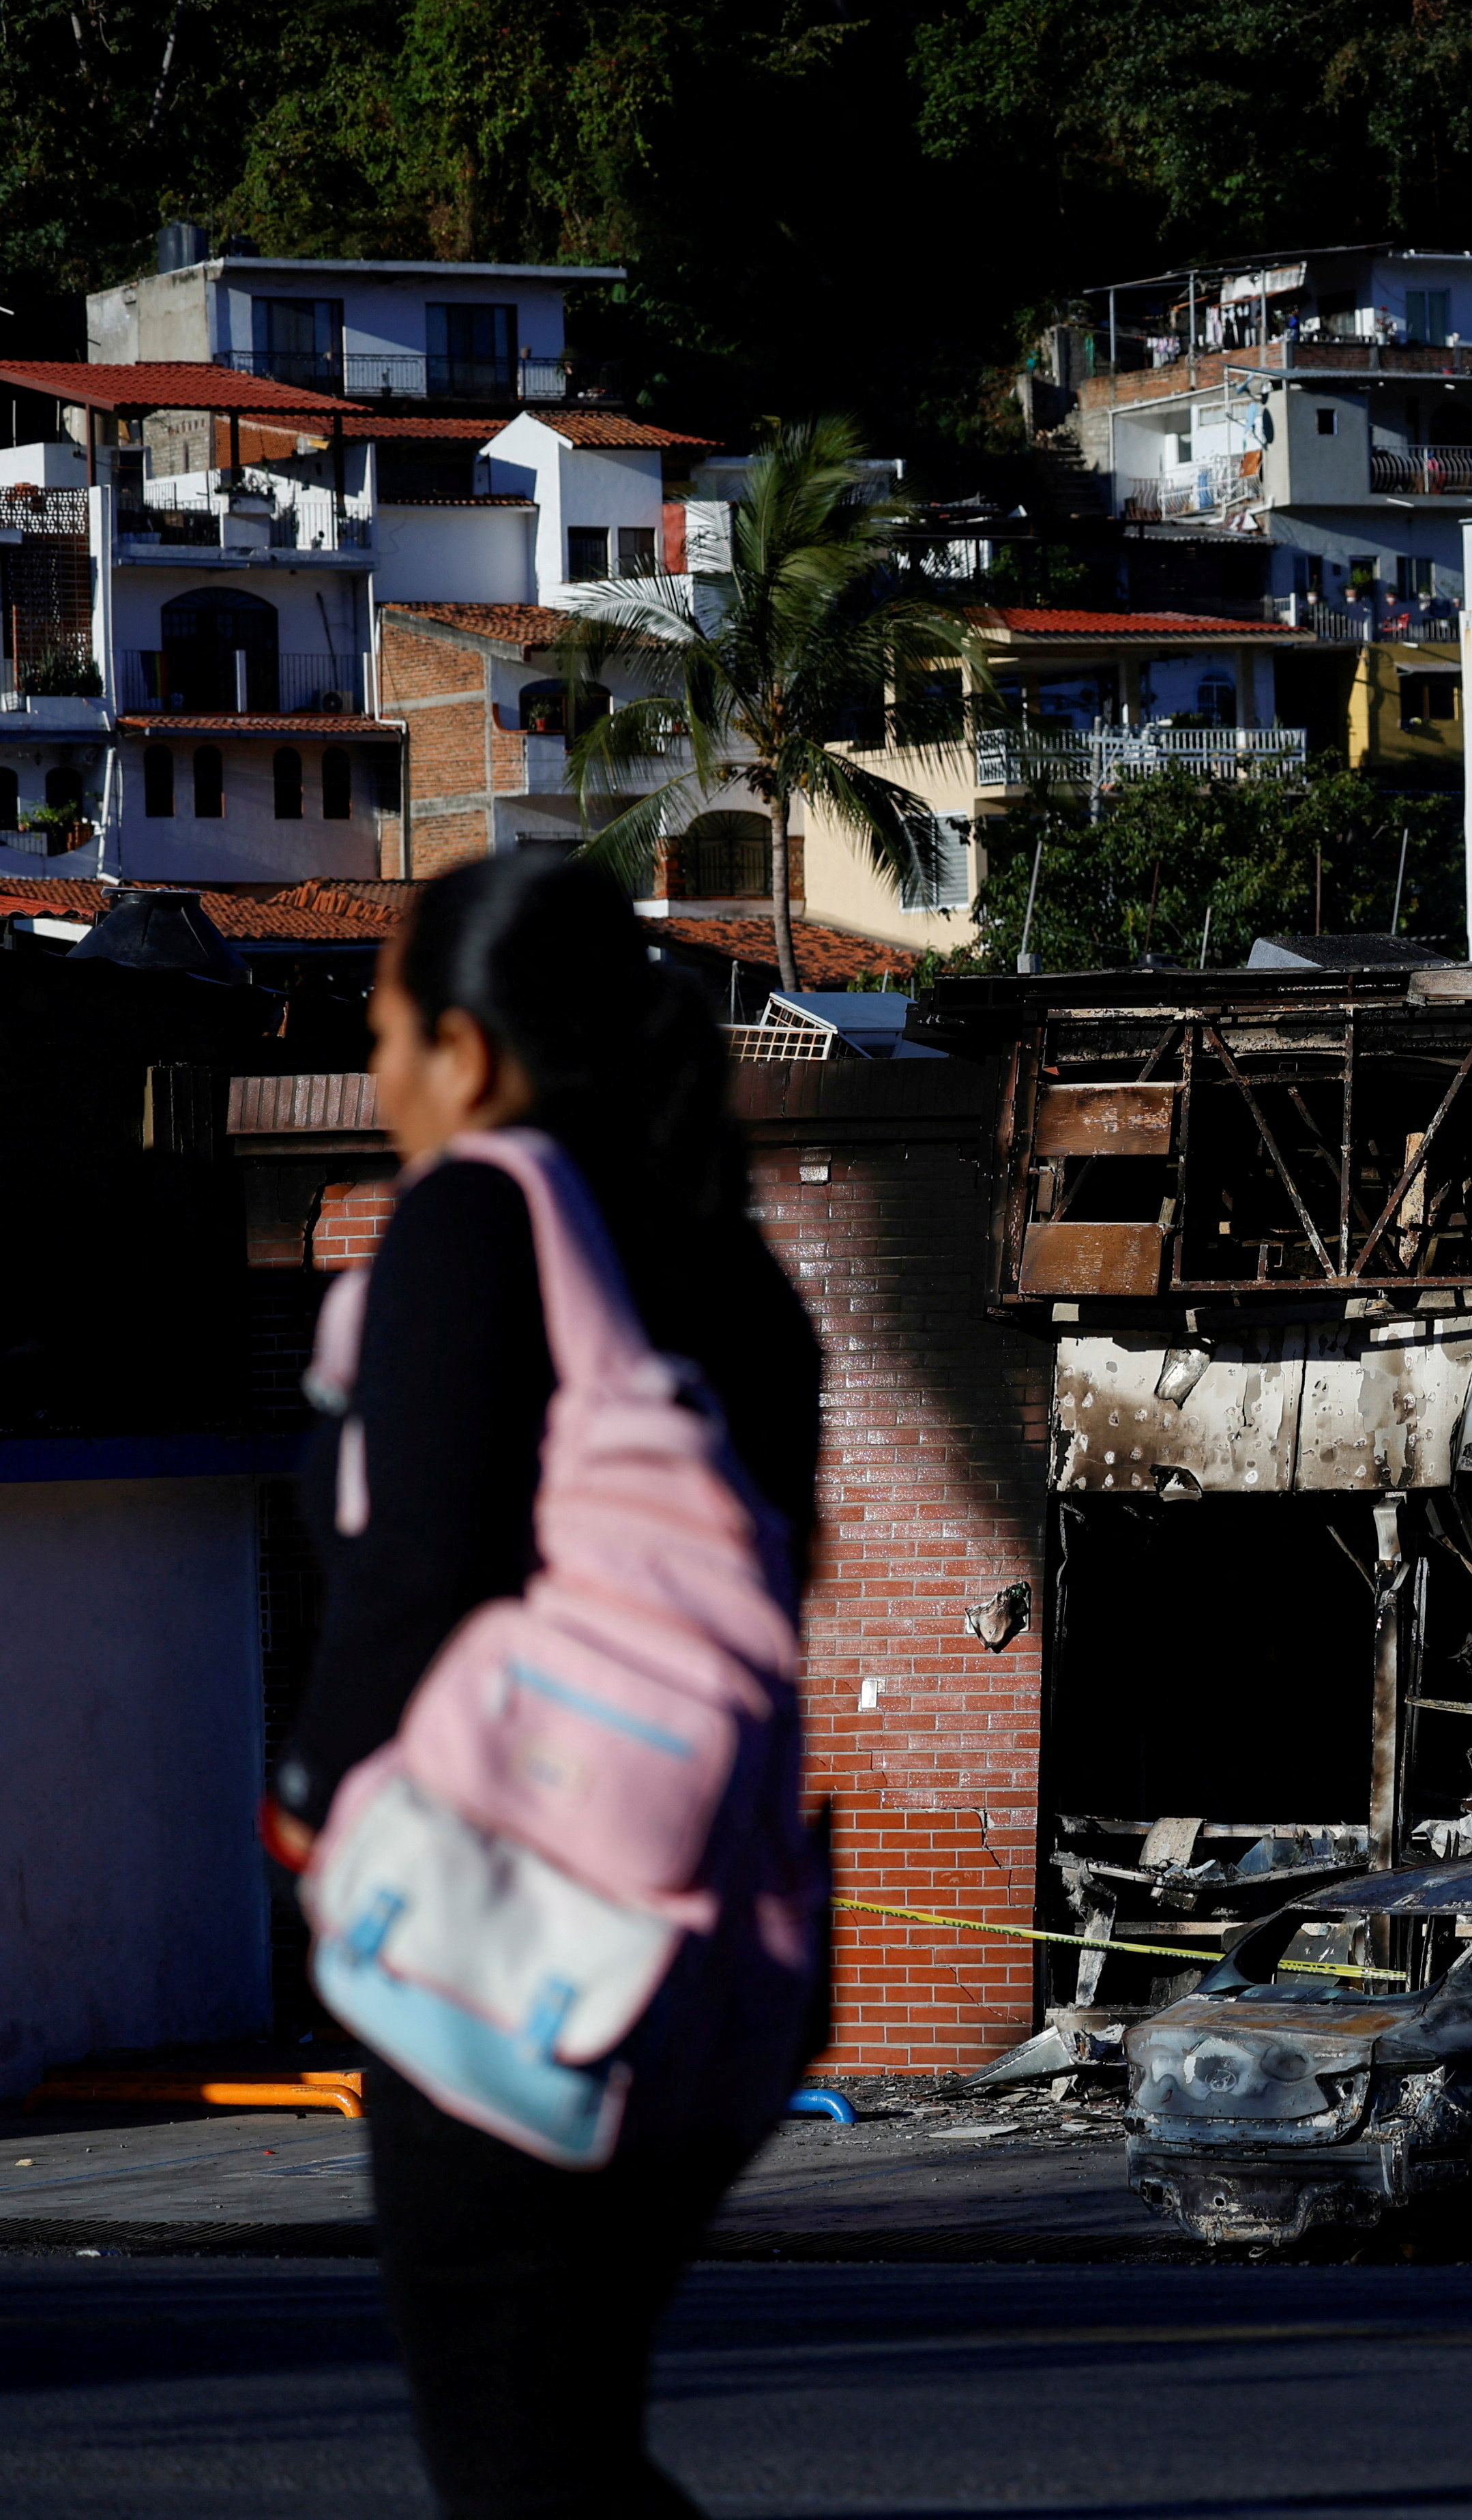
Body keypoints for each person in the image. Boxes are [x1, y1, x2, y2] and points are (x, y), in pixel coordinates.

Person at [261, 853, 823, 2519]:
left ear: (473, 1052)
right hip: (721, 1964)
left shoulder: (478, 1209)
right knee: (570, 2448)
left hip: (519, 1931)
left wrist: (308, 1818)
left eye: (385, 1033)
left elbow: (413, 1571)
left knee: (519, 2466)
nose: (376, 1078)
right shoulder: (725, 1263)